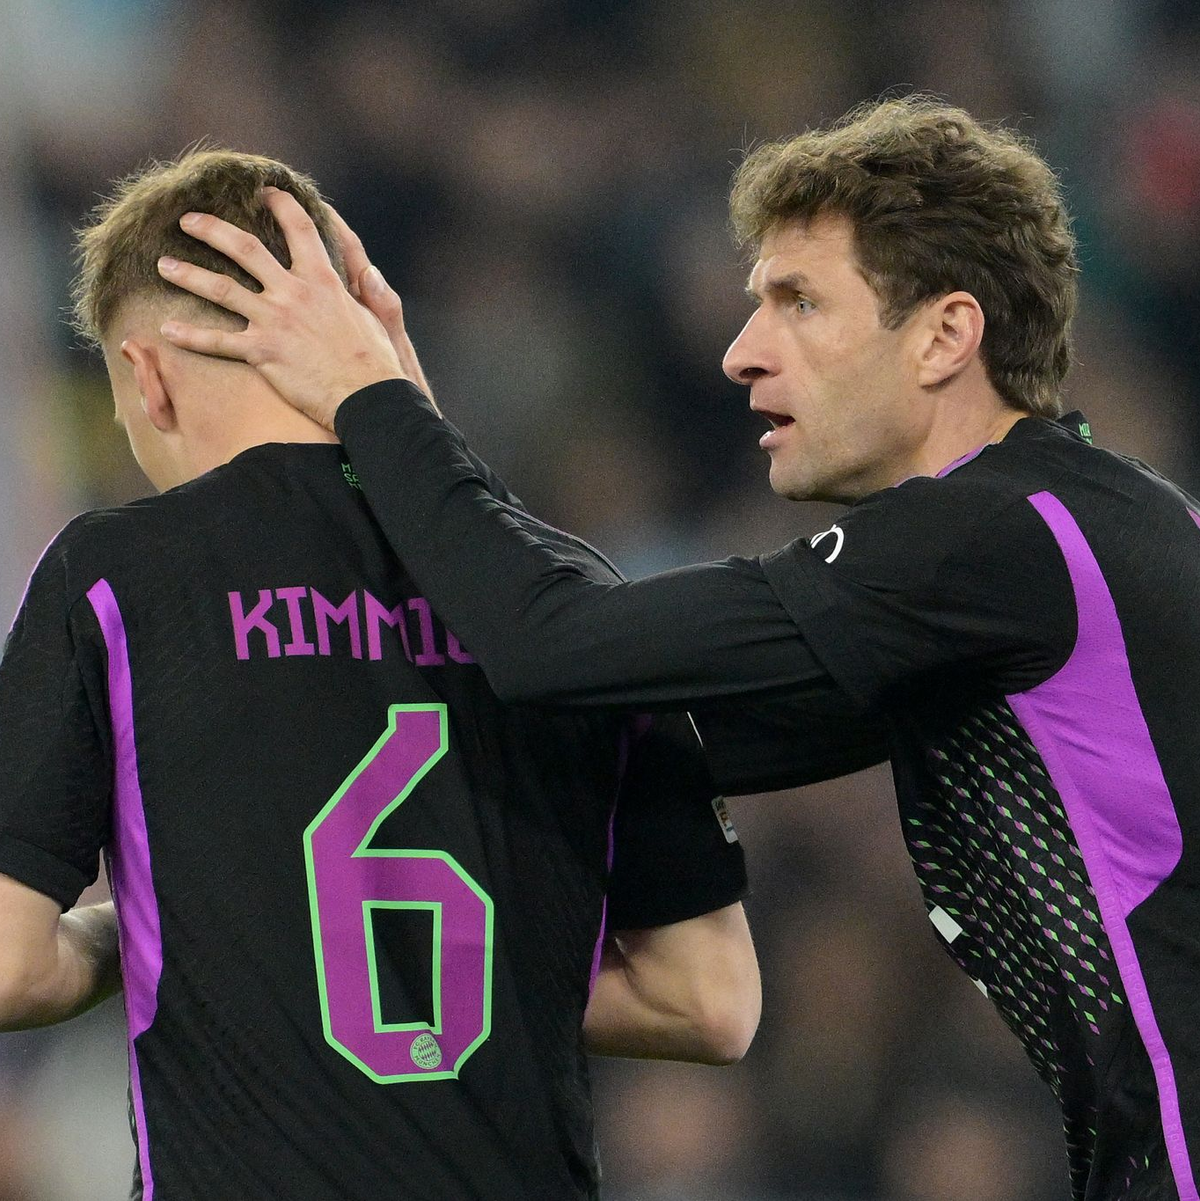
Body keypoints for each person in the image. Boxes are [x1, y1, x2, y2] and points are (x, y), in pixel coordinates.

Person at [160, 95, 1200, 1200]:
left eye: (799, 302)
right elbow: (640, 710)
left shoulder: (987, 537)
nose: (743, 354)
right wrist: (416, 437)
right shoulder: (1086, 530)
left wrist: (371, 400)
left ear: (945, 335)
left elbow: (553, 644)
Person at [0, 149, 760, 1201]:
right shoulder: (566, 590)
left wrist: (164, 931)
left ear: (146, 373)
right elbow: (710, 999)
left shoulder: (116, 576)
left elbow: (10, 960)